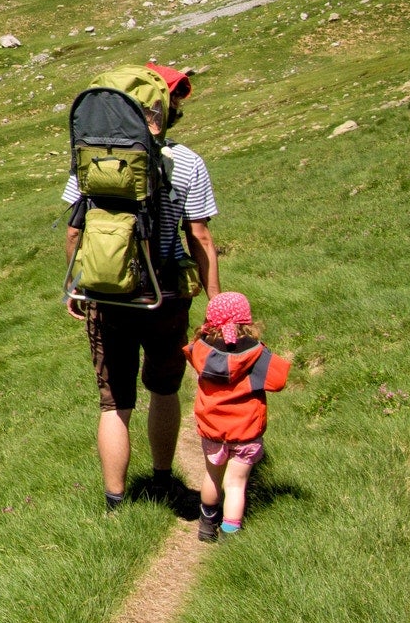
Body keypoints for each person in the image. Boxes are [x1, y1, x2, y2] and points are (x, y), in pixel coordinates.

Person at [62, 63, 220, 512]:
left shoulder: (91, 160)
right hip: (165, 295)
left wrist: (77, 285)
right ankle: (163, 479)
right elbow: (201, 237)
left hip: (107, 297)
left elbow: (76, 232)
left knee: (114, 403)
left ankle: (115, 502)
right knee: (164, 390)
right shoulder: (187, 162)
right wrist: (216, 302)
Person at [184, 291, 289, 541]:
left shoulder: (201, 349)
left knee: (212, 475)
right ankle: (230, 536)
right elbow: (279, 380)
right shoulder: (256, 353)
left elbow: (188, 352)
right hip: (246, 432)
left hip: (213, 430)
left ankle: (206, 525)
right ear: (246, 321)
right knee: (235, 484)